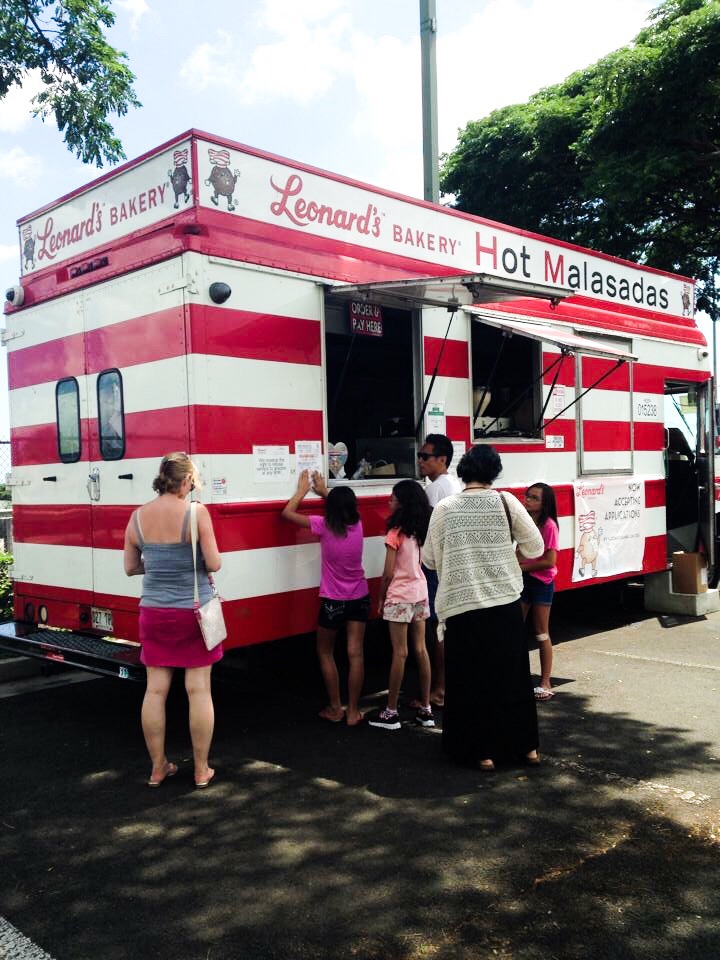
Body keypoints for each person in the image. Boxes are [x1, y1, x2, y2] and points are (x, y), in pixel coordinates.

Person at [422, 445, 545, 771]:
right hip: (504, 602)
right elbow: (536, 546)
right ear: (494, 472)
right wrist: (503, 552)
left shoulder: (445, 508)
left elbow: (429, 559)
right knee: (513, 676)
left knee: (469, 680)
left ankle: (483, 753)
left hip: (463, 606)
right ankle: (528, 748)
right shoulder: (507, 502)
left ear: (462, 472)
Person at [123, 452, 222, 789]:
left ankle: (157, 768)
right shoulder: (196, 513)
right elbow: (214, 563)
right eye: (192, 480)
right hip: (192, 613)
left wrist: (158, 565)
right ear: (185, 481)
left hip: (154, 613)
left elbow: (130, 567)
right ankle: (200, 770)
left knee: (155, 690)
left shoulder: (137, 517)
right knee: (198, 689)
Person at [282, 470, 368, 726]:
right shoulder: (358, 523)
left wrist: (302, 491)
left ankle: (335, 708)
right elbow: (343, 507)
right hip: (360, 596)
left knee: (325, 651)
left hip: (333, 600)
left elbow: (286, 514)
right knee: (356, 654)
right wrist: (324, 492)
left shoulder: (323, 525)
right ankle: (353, 711)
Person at [368, 479, 434, 731]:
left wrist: (381, 597)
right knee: (420, 650)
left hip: (399, 595)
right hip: (420, 592)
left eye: (393, 498)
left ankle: (391, 711)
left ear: (402, 503)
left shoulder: (395, 532)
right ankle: (426, 709)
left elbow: (387, 573)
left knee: (400, 652)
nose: (388, 501)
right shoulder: (419, 531)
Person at [412, 433, 462, 708]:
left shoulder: (435, 489)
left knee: (436, 630)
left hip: (436, 567)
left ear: (442, 460)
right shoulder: (452, 483)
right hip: (451, 564)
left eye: (425, 456)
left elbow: (426, 531)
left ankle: (439, 690)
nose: (420, 461)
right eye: (420, 455)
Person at [518, 482, 559, 701]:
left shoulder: (549, 525)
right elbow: (520, 551)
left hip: (542, 582)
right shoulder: (526, 523)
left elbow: (549, 561)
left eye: (534, 498)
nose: (527, 500)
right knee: (515, 628)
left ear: (545, 503)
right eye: (527, 496)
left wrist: (522, 567)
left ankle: (545, 681)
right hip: (523, 580)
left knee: (541, 632)